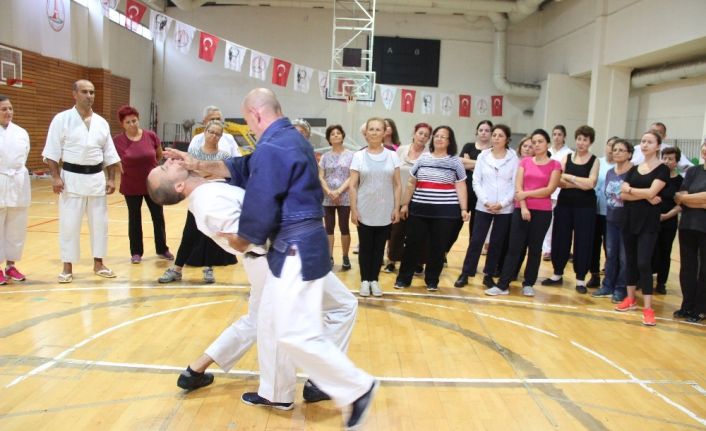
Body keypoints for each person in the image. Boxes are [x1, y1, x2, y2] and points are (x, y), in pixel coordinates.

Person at [217, 88, 377, 429]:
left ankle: (357, 387)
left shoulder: (274, 146)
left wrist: (242, 239)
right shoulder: (293, 139)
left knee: (293, 332)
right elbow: (249, 166)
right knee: (282, 321)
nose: (250, 128)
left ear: (257, 115)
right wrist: (201, 164)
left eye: (248, 121)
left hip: (295, 249)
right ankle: (288, 390)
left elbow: (260, 202)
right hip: (303, 245)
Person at [146, 157, 357, 405]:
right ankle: (281, 394)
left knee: (263, 320)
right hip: (277, 258)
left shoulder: (208, 188)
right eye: (164, 167)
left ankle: (196, 369)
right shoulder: (208, 201)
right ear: (179, 186)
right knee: (299, 317)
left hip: (270, 259)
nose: (168, 161)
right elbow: (251, 237)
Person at [42, 79, 121, 283]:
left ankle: (99, 263)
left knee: (100, 224)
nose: (89, 96)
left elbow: (110, 154)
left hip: (96, 178)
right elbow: (51, 152)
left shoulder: (101, 123)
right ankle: (67, 267)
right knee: (69, 224)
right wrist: (55, 176)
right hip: (71, 179)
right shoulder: (61, 119)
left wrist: (111, 179)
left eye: (92, 92)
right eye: (85, 92)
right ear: (74, 94)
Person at [159, 120, 236, 284]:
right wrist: (209, 174)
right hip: (197, 199)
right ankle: (177, 269)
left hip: (215, 199)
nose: (214, 136)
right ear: (205, 133)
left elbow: (225, 176)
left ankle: (208, 268)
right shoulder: (193, 152)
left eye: (218, 134)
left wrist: (202, 173)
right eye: (211, 132)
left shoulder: (224, 156)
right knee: (189, 234)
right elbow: (190, 175)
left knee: (211, 235)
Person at [488, 129, 561, 296]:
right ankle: (503, 285)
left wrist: (526, 195)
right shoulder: (525, 162)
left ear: (547, 144)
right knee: (514, 248)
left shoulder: (555, 165)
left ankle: (528, 283)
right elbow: (518, 186)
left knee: (535, 249)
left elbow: (549, 189)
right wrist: (524, 206)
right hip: (521, 210)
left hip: (542, 212)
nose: (536, 145)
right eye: (534, 142)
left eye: (540, 141)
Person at [394, 125, 469, 291]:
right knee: (412, 244)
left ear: (450, 141)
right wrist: (405, 204)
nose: (439, 139)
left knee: (438, 246)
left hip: (446, 212)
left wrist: (463, 208)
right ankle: (403, 279)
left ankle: (432, 280)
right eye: (437, 136)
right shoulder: (423, 159)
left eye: (444, 136)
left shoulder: (455, 161)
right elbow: (411, 182)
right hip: (419, 210)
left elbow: (461, 185)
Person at [614, 131, 670, 326]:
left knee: (644, 263)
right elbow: (623, 194)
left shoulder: (662, 169)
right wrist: (642, 194)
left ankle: (648, 308)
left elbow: (653, 191)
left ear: (658, 146)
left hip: (648, 222)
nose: (645, 144)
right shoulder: (634, 168)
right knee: (629, 260)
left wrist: (632, 190)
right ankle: (630, 299)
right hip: (629, 219)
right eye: (643, 141)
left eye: (649, 142)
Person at [454, 124, 517, 289]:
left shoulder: (513, 158)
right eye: (494, 135)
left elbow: (515, 184)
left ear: (507, 139)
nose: (496, 138)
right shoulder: (483, 156)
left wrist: (502, 203)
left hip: (504, 208)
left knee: (496, 242)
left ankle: (488, 275)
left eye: (500, 135)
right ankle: (466, 273)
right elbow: (476, 181)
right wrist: (486, 201)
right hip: (484, 205)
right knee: (476, 240)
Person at [541, 126, 599, 293]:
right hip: (565, 203)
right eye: (579, 139)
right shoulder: (567, 157)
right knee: (560, 238)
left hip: (585, 207)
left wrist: (571, 178)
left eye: (585, 140)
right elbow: (558, 180)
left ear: (590, 142)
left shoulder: (594, 160)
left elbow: (591, 184)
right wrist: (580, 182)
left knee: (583, 241)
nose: (581, 143)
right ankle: (557, 274)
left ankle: (580, 279)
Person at [113, 105, 173, 264]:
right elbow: (113, 160)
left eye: (134, 120)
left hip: (153, 184)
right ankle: (136, 252)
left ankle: (162, 249)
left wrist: (156, 171)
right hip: (131, 185)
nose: (132, 124)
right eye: (128, 122)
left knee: (158, 217)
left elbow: (159, 154)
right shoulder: (118, 141)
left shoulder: (151, 136)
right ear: (122, 124)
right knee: (134, 219)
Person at [350, 117, 401, 296]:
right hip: (364, 208)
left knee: (379, 248)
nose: (374, 132)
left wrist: (396, 208)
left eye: (378, 129)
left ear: (384, 132)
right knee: (365, 247)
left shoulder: (393, 156)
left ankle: (374, 280)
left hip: (385, 209)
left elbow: (397, 184)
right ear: (366, 133)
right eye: (371, 129)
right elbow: (353, 185)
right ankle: (364, 281)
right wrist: (353, 209)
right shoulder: (358, 156)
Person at [384, 122, 431, 274]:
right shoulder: (401, 150)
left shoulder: (429, 156)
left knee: (418, 233)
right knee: (396, 232)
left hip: (419, 200)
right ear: (414, 133)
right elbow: (392, 173)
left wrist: (409, 203)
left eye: (426, 135)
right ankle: (391, 260)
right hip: (398, 197)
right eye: (420, 133)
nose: (422, 137)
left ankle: (418, 262)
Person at [591, 139, 633, 303]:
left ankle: (621, 288)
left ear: (629, 154)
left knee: (624, 256)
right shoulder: (610, 172)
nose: (616, 152)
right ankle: (607, 285)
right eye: (615, 150)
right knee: (610, 254)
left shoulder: (633, 172)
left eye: (621, 150)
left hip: (626, 220)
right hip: (611, 218)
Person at [448, 120, 493, 261]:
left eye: (487, 130)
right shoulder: (468, 146)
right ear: (477, 132)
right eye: (481, 130)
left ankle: (471, 260)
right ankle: (443, 252)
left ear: (491, 133)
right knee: (455, 224)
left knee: (476, 230)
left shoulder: (493, 151)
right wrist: (482, 165)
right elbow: (460, 163)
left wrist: (471, 164)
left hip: (483, 194)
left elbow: (491, 170)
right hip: (465, 191)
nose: (483, 133)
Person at [674, 140, 706, 322]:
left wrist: (689, 199)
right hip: (687, 226)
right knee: (687, 268)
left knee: (704, 270)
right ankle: (687, 305)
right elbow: (679, 197)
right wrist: (699, 200)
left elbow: (687, 197)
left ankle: (701, 309)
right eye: (705, 145)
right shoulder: (693, 171)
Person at [0, 95, 30, 285]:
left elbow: (24, 155)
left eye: (10, 108)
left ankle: (11, 266)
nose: (8, 112)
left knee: (16, 228)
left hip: (18, 182)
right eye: (4, 109)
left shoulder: (21, 132)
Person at [319, 125, 353, 270]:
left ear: (342, 136)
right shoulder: (325, 157)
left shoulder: (351, 155)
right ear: (329, 139)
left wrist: (338, 191)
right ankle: (329, 257)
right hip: (328, 198)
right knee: (329, 228)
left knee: (344, 227)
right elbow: (320, 176)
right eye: (332, 134)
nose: (336, 135)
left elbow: (352, 176)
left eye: (338, 133)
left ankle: (345, 257)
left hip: (344, 196)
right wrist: (329, 191)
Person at [651, 146, 683, 295]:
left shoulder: (680, 180)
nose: (667, 161)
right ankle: (645, 278)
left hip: (669, 221)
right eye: (664, 158)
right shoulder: (656, 176)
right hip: (652, 219)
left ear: (676, 162)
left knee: (665, 251)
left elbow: (680, 204)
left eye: (671, 159)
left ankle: (661, 282)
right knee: (650, 249)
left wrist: (666, 216)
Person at [587, 137, 618, 288]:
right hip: (594, 210)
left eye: (616, 147)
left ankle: (611, 276)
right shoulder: (597, 161)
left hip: (611, 212)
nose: (612, 149)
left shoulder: (621, 167)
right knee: (593, 244)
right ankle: (594, 274)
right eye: (610, 145)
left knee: (610, 246)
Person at [542, 125, 573, 261]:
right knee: (547, 223)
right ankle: (546, 249)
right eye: (554, 134)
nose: (556, 137)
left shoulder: (569, 154)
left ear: (564, 136)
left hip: (560, 191)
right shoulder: (546, 151)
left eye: (559, 134)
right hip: (545, 191)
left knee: (559, 223)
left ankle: (558, 249)